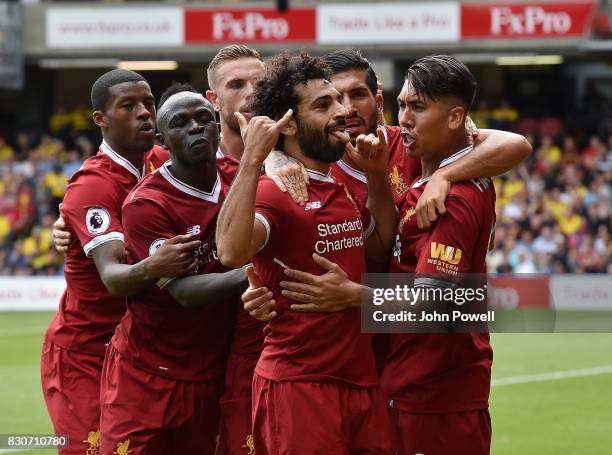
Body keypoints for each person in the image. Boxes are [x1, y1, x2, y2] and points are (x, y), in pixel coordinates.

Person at [246, 55, 503, 455]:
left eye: (417, 107)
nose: (344, 109)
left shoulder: (447, 191)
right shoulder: (333, 174)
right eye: (405, 106)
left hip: (432, 389)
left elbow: (449, 303)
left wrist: (352, 295)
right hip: (379, 378)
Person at [216, 51, 396, 455]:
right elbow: (230, 251)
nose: (342, 112)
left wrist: (377, 175)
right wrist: (253, 160)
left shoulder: (340, 188)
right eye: (324, 104)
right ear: (290, 125)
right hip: (300, 388)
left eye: (338, 100)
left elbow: (380, 246)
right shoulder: (276, 192)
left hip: (360, 383)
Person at [40, 69, 199, 455]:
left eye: (148, 103)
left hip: (139, 353)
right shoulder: (93, 186)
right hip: (87, 352)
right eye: (128, 106)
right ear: (101, 119)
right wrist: (157, 265)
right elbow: (113, 277)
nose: (145, 113)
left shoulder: (160, 162)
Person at [99, 84, 247, 454]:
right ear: (162, 138)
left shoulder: (240, 179)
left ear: (217, 126)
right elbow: (184, 292)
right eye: (180, 123)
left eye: (203, 119)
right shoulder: (147, 204)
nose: (195, 127)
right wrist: (257, 271)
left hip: (211, 371)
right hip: (146, 373)